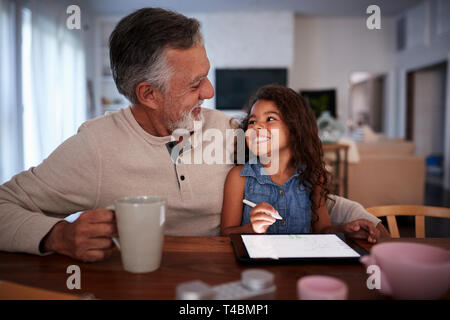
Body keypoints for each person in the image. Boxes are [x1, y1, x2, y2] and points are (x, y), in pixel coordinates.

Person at [0, 8, 388, 263]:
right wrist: (57, 235)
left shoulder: (232, 133)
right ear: (148, 94)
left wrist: (361, 218)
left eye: (208, 75)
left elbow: (298, 189)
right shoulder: (94, 149)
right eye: (195, 83)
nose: (210, 93)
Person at [221, 85, 378, 243]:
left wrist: (345, 230)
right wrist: (252, 229)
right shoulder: (239, 177)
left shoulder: (313, 177)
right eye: (252, 121)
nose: (256, 126)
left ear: (295, 129)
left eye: (270, 119)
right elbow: (226, 233)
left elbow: (322, 231)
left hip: (302, 266)